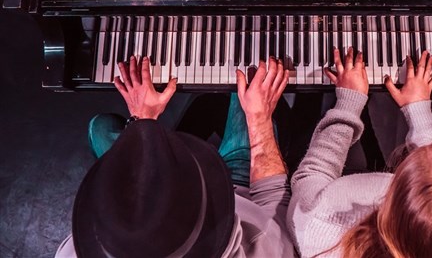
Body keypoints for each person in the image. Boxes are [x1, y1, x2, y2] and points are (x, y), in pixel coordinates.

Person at [55, 55, 296, 258]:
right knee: (248, 71)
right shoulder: (266, 246)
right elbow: (273, 199)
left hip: (146, 180)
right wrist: (258, 118)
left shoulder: (72, 252)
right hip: (241, 193)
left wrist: (144, 124)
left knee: (99, 127)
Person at [287, 48, 432, 258]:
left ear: (391, 205)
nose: (423, 147)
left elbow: (312, 174)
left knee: (303, 135)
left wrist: (349, 103)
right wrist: (419, 110)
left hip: (340, 186)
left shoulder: (321, 232)